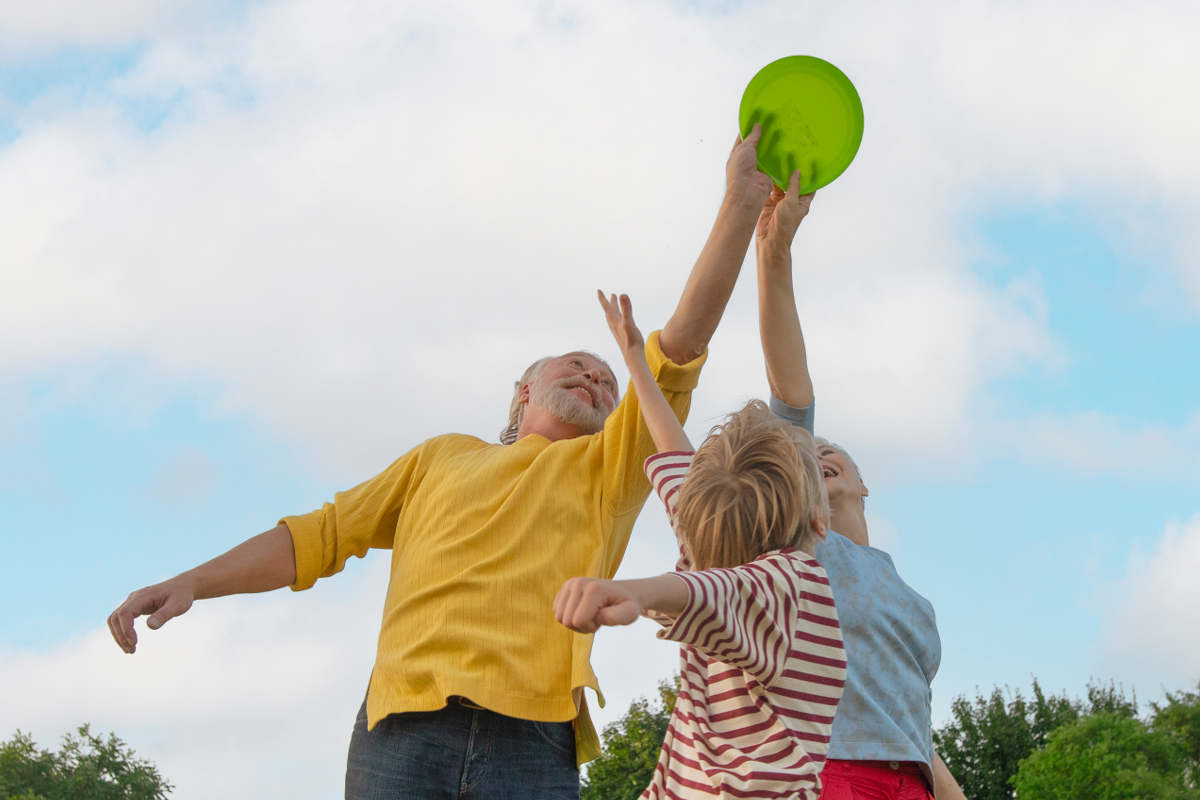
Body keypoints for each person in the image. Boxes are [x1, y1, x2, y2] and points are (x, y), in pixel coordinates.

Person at [106, 127, 778, 799]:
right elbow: (315, 539)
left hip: (534, 737)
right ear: (524, 391)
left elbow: (682, 343)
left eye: (608, 380)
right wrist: (194, 581)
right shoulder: (441, 456)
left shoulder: (611, 464)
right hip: (402, 725)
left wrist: (740, 203)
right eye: (577, 364)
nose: (596, 377)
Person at [554, 290, 845, 799]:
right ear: (821, 519)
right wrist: (635, 359)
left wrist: (642, 593)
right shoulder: (745, 558)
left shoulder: (789, 586)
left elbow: (720, 590)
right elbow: (675, 455)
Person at [754, 171, 968, 800]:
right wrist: (775, 253)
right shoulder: (802, 548)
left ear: (864, 484)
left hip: (912, 781)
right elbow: (793, 392)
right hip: (831, 771)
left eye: (833, 452)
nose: (819, 451)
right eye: (809, 452)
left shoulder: (911, 599)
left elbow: (913, 729)